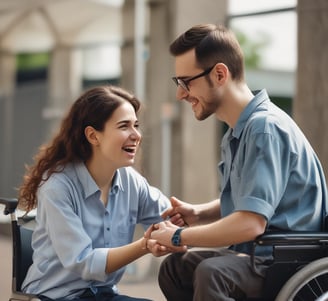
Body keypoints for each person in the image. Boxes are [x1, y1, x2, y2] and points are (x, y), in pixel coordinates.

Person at [150, 23, 328, 300]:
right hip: (259, 254)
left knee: (212, 272)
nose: (180, 94)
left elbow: (250, 223)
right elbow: (252, 200)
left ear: (220, 74)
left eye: (186, 82)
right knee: (175, 268)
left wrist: (178, 237)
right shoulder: (238, 131)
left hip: (287, 260)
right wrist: (198, 214)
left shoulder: (264, 129)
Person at [18, 85, 185, 301]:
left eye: (136, 125)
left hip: (104, 295)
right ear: (93, 136)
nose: (136, 135)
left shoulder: (131, 181)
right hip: (55, 296)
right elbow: (83, 261)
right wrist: (144, 245)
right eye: (124, 126)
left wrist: (185, 221)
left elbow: (172, 217)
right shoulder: (57, 187)